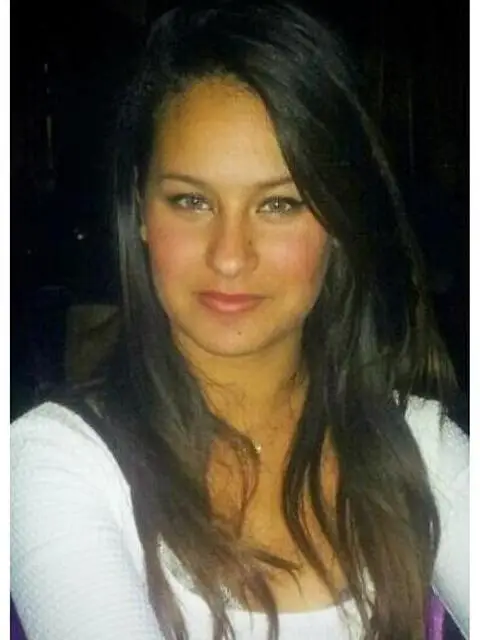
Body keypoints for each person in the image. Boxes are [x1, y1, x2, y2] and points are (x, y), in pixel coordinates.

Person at [10, 1, 469, 638]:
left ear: (338, 222)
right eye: (191, 201)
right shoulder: (56, 460)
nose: (230, 256)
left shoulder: (421, 445)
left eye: (278, 204)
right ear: (140, 212)